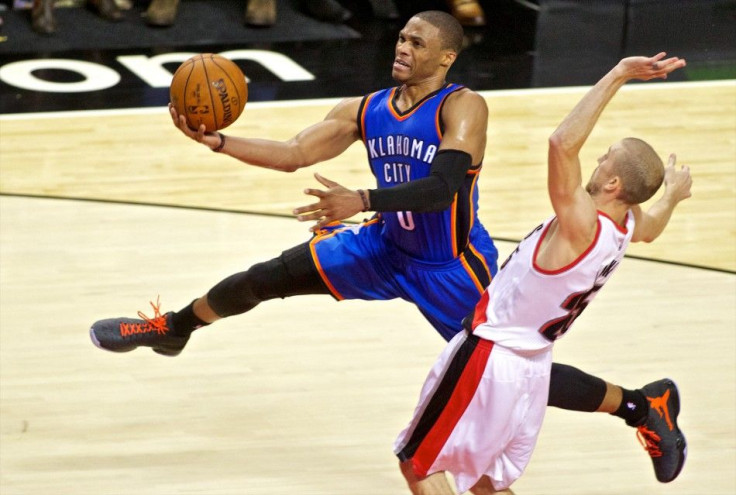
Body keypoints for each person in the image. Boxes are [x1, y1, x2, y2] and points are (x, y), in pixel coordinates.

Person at [89, 11, 684, 484]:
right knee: (262, 278)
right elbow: (295, 152)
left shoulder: (463, 107)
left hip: (448, 264)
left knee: (517, 369)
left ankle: (640, 406)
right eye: (401, 38)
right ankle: (174, 328)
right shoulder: (367, 109)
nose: (402, 48)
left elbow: (444, 186)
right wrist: (218, 141)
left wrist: (365, 199)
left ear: (446, 57)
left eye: (418, 43)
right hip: (382, 247)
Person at [393, 52, 691, 494]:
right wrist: (672, 195)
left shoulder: (581, 224)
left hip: (491, 359)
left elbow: (561, 143)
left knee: (419, 465)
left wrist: (620, 73)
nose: (596, 160)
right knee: (484, 483)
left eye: (605, 158)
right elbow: (652, 226)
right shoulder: (626, 224)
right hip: (530, 369)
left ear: (613, 186)